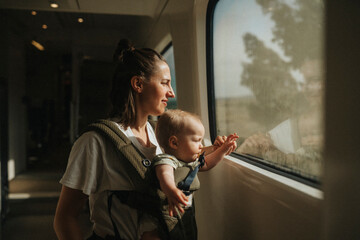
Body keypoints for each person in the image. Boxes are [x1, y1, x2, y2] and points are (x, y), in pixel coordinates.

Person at [53, 39, 176, 240]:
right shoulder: (95, 142)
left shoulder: (157, 135)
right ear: (138, 84)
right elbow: (64, 218)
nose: (171, 93)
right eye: (164, 83)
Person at [152, 109, 239, 239]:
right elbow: (165, 176)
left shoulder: (189, 162)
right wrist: (170, 190)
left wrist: (222, 150)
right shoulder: (166, 161)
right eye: (197, 141)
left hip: (187, 211)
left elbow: (207, 163)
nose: (201, 146)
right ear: (174, 143)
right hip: (170, 216)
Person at [237, 59, 324, 179]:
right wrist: (252, 148)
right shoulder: (289, 127)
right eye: (304, 83)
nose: (306, 89)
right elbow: (253, 148)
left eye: (314, 80)